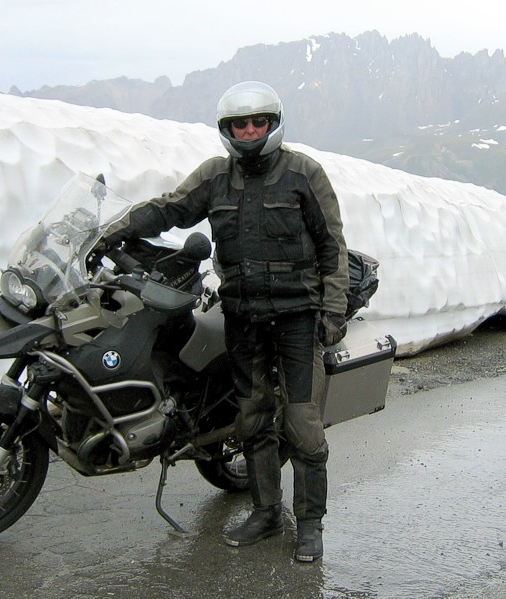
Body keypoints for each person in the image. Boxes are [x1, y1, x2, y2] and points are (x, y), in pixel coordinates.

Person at [98, 81, 349, 562]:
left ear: (273, 124)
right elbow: (171, 207)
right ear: (227, 129)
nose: (250, 130)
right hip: (243, 315)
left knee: (302, 425)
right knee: (252, 417)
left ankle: (311, 524)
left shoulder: (303, 174)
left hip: (298, 318)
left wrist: (332, 312)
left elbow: (331, 246)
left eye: (258, 122)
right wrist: (119, 229)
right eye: (240, 123)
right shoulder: (215, 176)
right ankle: (266, 512)